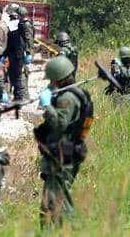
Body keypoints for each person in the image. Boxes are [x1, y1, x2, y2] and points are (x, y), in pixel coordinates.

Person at [34, 56, 94, 226]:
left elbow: (59, 124)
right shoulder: (72, 93)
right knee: (56, 202)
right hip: (65, 153)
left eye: (52, 80)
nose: (50, 83)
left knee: (54, 204)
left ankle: (69, 230)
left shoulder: (67, 98)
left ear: (58, 78)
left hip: (61, 156)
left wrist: (47, 105)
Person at [4, 8, 28, 101]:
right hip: (18, 56)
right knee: (16, 76)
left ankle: (18, 96)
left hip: (14, 57)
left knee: (15, 76)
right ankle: (17, 95)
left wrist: (4, 55)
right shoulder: (20, 32)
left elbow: (9, 46)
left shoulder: (12, 32)